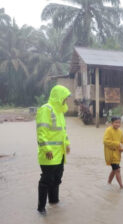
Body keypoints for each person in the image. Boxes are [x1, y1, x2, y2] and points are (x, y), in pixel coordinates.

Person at [36, 85, 71, 214]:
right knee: (46, 180)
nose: (66, 101)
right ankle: (41, 208)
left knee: (57, 178)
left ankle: (54, 201)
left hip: (60, 153)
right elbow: (41, 132)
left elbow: (63, 132)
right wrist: (46, 148)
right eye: (65, 98)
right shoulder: (46, 109)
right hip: (49, 153)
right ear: (58, 97)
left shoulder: (60, 112)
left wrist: (67, 144)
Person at [103, 116, 123, 189]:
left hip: (117, 154)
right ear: (112, 123)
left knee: (114, 170)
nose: (117, 124)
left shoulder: (120, 131)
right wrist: (117, 144)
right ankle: (121, 186)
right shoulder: (108, 130)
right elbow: (105, 141)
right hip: (110, 153)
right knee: (117, 170)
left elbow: (122, 142)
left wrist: (121, 148)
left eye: (119, 122)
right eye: (116, 122)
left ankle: (108, 183)